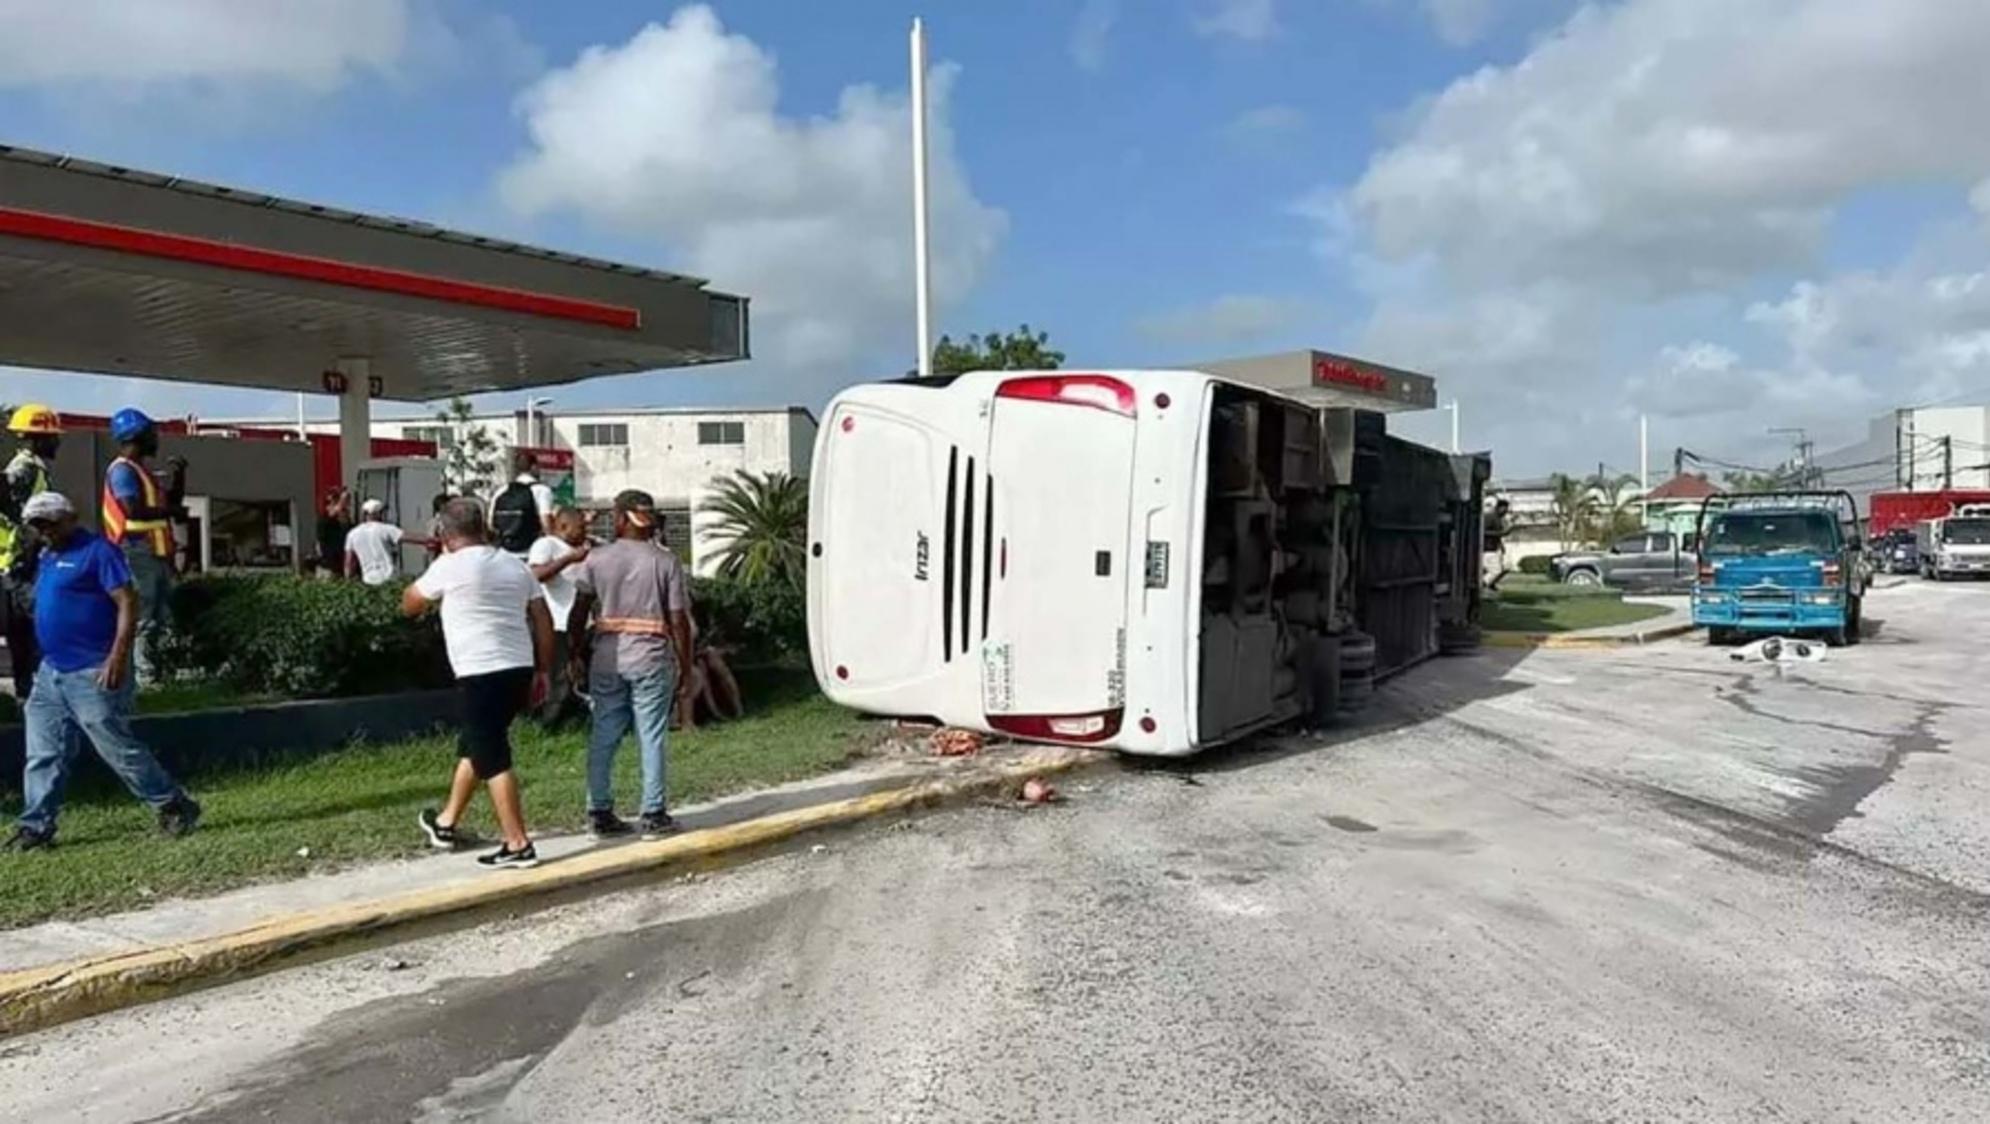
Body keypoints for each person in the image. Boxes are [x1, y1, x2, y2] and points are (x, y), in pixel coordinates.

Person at [5, 493, 201, 851]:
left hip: (93, 670)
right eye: (36, 525)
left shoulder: (99, 552)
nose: (42, 531)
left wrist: (117, 657)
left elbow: (128, 601)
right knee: (43, 753)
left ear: (70, 517)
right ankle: (36, 826)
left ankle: (172, 803)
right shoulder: (48, 556)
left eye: (47, 523)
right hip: (52, 673)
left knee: (117, 748)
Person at [402, 497, 555, 870]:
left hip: (478, 670)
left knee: (493, 756)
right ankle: (446, 823)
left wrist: (438, 565)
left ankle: (517, 844)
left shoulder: (448, 565)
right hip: (518, 666)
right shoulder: (513, 565)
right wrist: (544, 670)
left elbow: (410, 604)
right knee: (476, 741)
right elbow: (542, 617)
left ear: (445, 532)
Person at [568, 489, 693, 838]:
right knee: (651, 734)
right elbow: (679, 620)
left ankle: (599, 811)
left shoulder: (596, 559)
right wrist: (685, 663)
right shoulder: (665, 562)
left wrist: (575, 654)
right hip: (651, 658)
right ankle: (653, 813)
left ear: (620, 518)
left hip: (606, 658)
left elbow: (578, 612)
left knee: (604, 733)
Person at [101, 409, 184, 682]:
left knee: (164, 616)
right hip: (135, 551)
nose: (156, 438)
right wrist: (172, 512)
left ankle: (164, 675)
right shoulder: (122, 471)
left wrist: (179, 478)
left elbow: (164, 503)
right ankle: (146, 679)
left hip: (154, 553)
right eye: (151, 433)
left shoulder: (140, 471)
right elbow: (132, 510)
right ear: (137, 436)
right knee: (145, 616)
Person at [1, 404, 62, 699]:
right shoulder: (23, 469)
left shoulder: (34, 468)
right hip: (19, 564)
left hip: (23, 561)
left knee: (26, 636)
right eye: (53, 436)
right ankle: (35, 696)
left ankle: (31, 695)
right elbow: (12, 508)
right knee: (35, 632)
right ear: (38, 438)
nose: (58, 442)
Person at [526, 509, 591, 727]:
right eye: (581, 527)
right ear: (564, 527)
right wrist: (569, 559)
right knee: (557, 677)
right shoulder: (547, 545)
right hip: (555, 622)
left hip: (578, 623)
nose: (585, 531)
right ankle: (547, 721)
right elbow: (536, 575)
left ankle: (571, 716)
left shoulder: (582, 549)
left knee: (574, 673)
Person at [344, 498, 433, 585]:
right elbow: (413, 538)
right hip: (388, 577)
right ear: (378, 514)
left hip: (369, 579)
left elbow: (349, 562)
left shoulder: (352, 534)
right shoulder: (386, 529)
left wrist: (348, 582)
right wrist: (435, 540)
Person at [490, 452, 554, 560]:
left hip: (505, 553)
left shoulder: (501, 491)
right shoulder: (542, 490)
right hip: (532, 553)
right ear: (534, 467)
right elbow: (546, 523)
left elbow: (491, 524)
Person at [316, 487, 354, 578]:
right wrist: (341, 502)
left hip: (342, 567)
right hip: (328, 568)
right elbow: (330, 516)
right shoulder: (324, 521)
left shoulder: (347, 525)